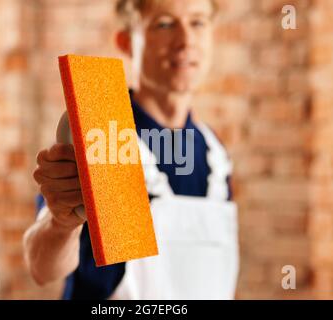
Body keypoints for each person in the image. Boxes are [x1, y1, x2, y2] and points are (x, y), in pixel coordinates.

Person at [23, 0, 239, 300]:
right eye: (164, 24)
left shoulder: (213, 152)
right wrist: (62, 223)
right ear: (126, 41)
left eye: (198, 23)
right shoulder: (106, 132)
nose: (186, 41)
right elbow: (42, 268)